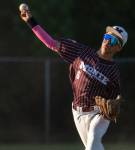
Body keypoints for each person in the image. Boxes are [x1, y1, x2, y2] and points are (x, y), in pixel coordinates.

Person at [19, 4, 128, 150]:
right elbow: (52, 43)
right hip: (78, 112)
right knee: (91, 147)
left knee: (94, 137)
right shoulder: (81, 52)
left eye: (114, 41)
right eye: (107, 36)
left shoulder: (113, 72)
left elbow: (114, 101)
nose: (108, 41)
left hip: (99, 113)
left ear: (118, 48)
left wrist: (112, 107)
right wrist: (31, 21)